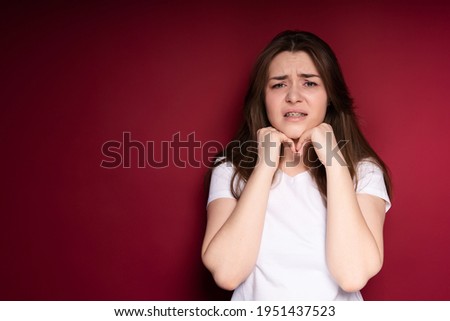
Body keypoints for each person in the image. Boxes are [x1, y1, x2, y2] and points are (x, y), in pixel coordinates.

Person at [201, 30, 392, 300]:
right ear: (263, 98)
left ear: (330, 96)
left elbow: (352, 275)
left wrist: (335, 163)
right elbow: (227, 273)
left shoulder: (364, 172)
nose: (293, 96)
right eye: (278, 84)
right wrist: (265, 166)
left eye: (309, 83)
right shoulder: (229, 169)